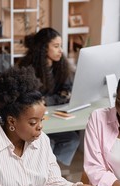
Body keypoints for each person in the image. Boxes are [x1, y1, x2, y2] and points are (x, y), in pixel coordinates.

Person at [0, 66, 102, 186]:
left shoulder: (42, 140)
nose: (40, 127)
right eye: (33, 122)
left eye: (42, 120)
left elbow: (52, 180)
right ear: (12, 121)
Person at [18, 27, 80, 169]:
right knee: (47, 143)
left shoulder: (62, 67)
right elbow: (32, 100)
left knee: (72, 139)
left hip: (53, 116)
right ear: (44, 48)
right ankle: (43, 174)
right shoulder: (28, 69)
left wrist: (49, 100)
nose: (60, 50)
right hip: (34, 119)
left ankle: (53, 173)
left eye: (61, 46)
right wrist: (55, 98)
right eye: (56, 46)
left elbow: (67, 92)